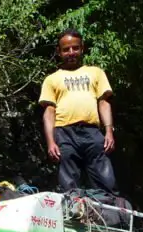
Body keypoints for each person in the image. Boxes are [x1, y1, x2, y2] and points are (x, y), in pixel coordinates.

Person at [39, 30, 118, 195]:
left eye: (75, 48)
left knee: (105, 178)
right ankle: (73, 213)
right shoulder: (51, 79)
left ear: (82, 48)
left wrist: (109, 131)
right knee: (69, 181)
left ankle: (108, 212)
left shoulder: (95, 72)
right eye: (66, 49)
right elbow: (49, 112)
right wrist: (51, 142)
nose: (71, 53)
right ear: (59, 52)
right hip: (64, 133)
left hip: (92, 132)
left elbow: (103, 102)